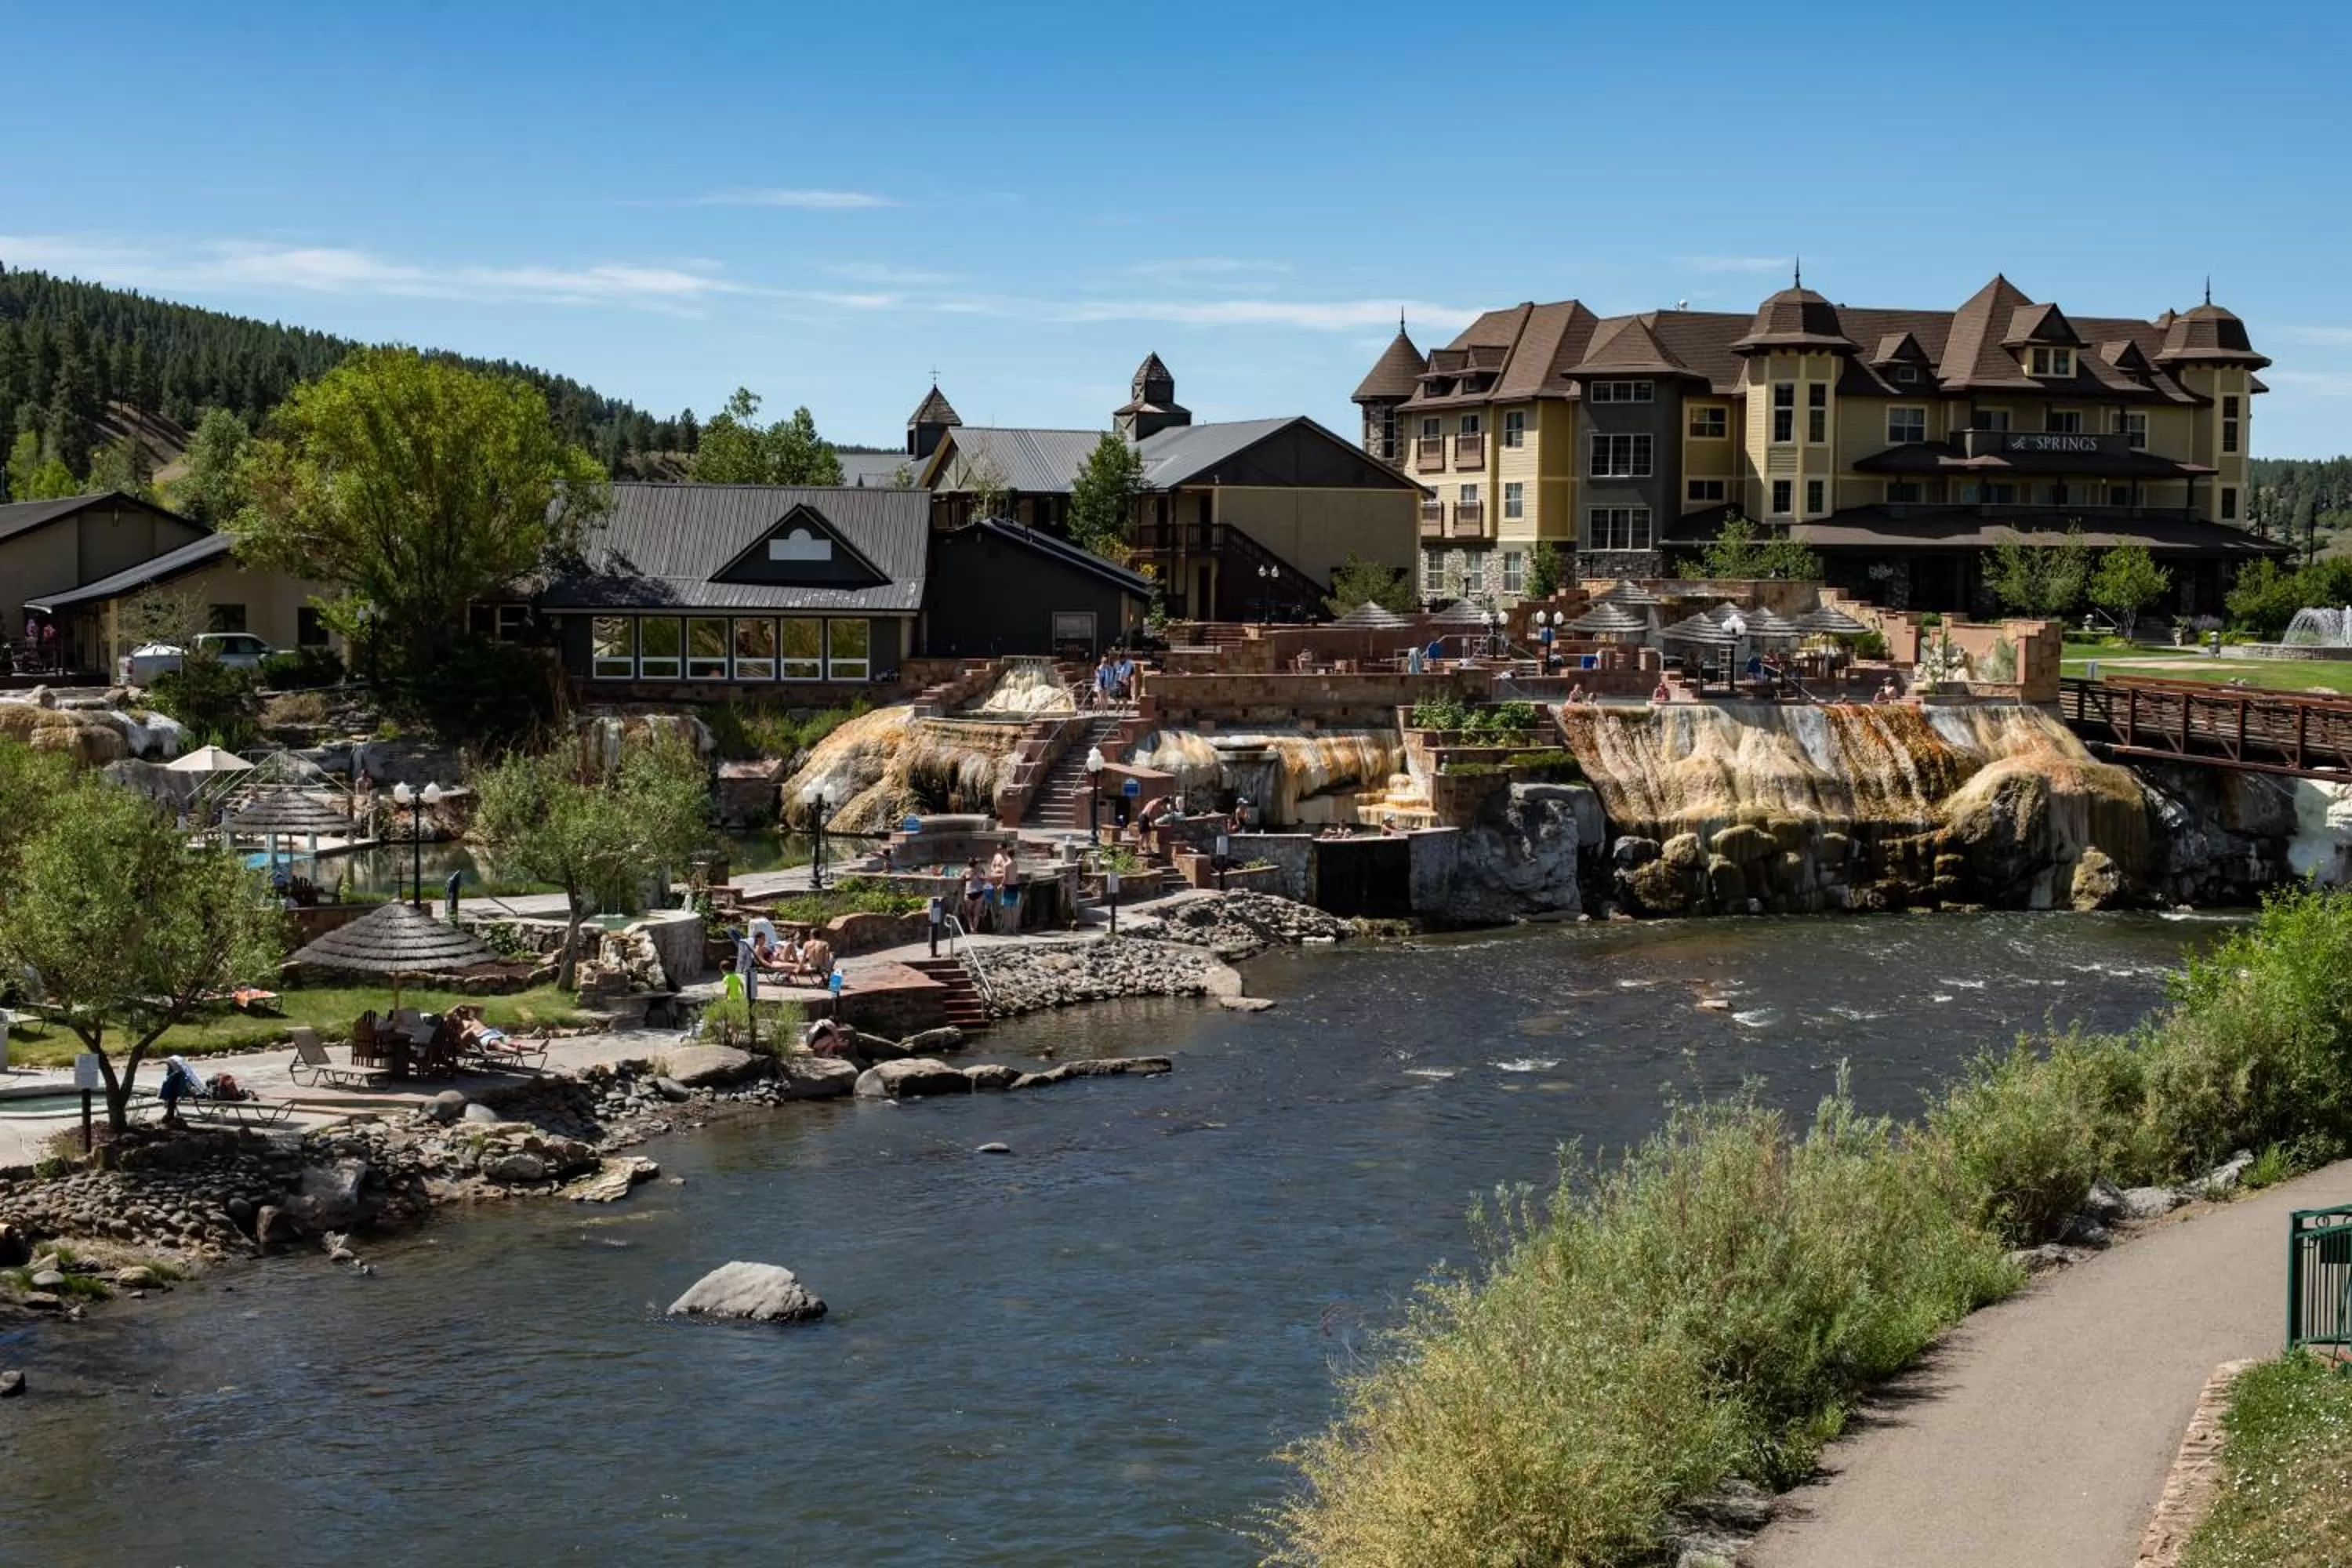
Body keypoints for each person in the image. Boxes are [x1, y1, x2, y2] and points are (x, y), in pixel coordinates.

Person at [158, 1055, 205, 1129]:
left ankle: (170, 1116)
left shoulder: (178, 1075)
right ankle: (170, 1116)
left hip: (174, 1093)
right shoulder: (180, 1074)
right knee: (171, 1102)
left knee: (171, 1101)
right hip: (174, 1093)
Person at [961, 857, 987, 931]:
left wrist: (969, 879)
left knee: (968, 912)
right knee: (977, 913)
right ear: (976, 864)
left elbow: (961, 880)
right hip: (979, 892)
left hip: (969, 893)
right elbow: (984, 880)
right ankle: (975, 929)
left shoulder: (966, 871)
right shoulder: (981, 870)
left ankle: (971, 928)